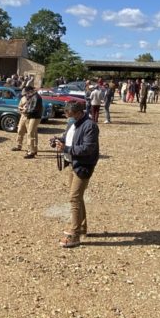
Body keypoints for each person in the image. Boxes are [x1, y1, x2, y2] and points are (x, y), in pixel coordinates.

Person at [52, 101, 100, 248]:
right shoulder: (73, 123)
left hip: (83, 166)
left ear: (79, 113)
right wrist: (57, 141)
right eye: (67, 115)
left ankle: (75, 234)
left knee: (74, 198)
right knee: (78, 197)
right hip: (73, 164)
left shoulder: (90, 126)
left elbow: (88, 149)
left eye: (70, 115)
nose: (68, 118)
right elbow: (68, 138)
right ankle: (82, 227)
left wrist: (66, 148)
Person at [13, 85, 43, 159]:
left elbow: (34, 109)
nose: (26, 94)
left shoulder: (36, 97)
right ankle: (30, 150)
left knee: (31, 133)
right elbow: (30, 107)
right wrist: (24, 110)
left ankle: (32, 151)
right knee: (27, 132)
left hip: (34, 117)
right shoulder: (32, 97)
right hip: (30, 116)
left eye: (27, 93)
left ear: (30, 91)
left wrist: (26, 111)